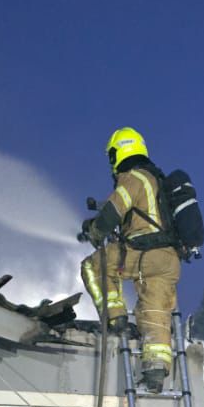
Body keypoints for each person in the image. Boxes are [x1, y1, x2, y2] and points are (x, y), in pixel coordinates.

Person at [79, 127, 180, 391]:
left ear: (119, 151)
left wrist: (95, 230)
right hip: (167, 259)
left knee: (93, 266)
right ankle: (156, 372)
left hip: (142, 252)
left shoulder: (133, 178)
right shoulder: (155, 180)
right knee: (155, 311)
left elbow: (114, 209)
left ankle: (116, 318)